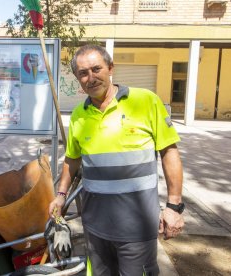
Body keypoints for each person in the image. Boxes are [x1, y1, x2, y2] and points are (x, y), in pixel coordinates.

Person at [49, 44, 185, 276]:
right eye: (83, 73)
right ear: (77, 79)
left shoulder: (145, 101)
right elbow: (72, 159)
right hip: (95, 227)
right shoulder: (79, 115)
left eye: (96, 69)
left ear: (110, 68)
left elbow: (169, 152)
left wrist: (173, 206)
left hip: (137, 228)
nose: (90, 78)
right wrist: (61, 196)